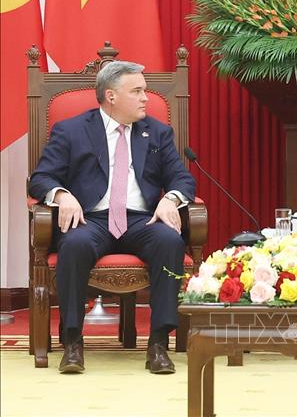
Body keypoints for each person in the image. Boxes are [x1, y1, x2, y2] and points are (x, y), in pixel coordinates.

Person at [29, 61, 195, 374]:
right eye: (137, 91)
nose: (146, 97)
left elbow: (182, 179)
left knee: (170, 241)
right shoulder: (71, 130)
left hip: (141, 220)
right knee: (74, 244)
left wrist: (170, 199)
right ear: (111, 96)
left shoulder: (157, 132)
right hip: (91, 219)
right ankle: (73, 342)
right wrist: (62, 195)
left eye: (145, 90)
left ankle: (158, 344)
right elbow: (40, 179)